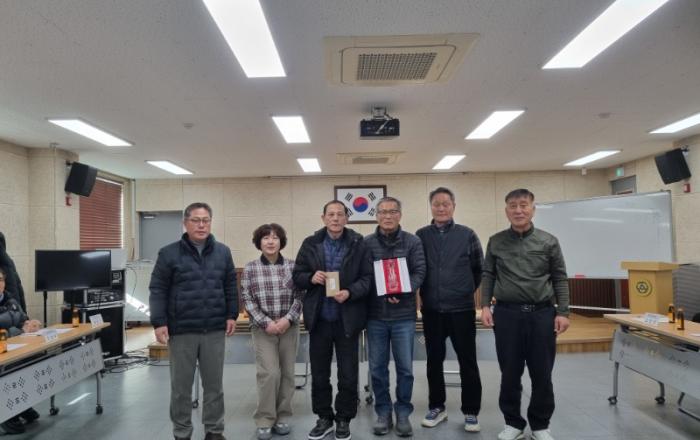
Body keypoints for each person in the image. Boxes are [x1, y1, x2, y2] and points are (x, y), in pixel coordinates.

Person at [480, 189, 570, 440]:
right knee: (510, 373)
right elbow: (488, 275)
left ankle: (540, 425)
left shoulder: (548, 241)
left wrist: (563, 311)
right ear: (506, 210)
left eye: (523, 205)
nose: (518, 210)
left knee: (542, 373)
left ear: (533, 209)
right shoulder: (496, 241)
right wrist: (485, 305)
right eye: (513, 206)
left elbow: (560, 277)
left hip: (542, 315)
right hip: (506, 315)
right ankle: (513, 423)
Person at [149, 202, 237, 440]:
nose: (201, 225)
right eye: (196, 220)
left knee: (214, 386)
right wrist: (159, 322)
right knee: (181, 388)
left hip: (214, 329)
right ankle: (182, 432)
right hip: (181, 331)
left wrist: (231, 314)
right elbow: (157, 289)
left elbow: (230, 286)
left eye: (206, 220)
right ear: (185, 223)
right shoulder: (168, 253)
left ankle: (214, 430)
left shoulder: (223, 252)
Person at [293, 200, 373, 440]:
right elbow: (297, 276)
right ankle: (324, 417)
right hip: (319, 319)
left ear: (347, 218)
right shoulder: (310, 243)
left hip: (347, 320)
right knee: (319, 374)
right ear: (323, 218)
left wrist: (349, 292)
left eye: (340, 214)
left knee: (348, 373)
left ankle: (344, 418)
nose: (335, 218)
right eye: (331, 214)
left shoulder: (359, 243)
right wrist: (311, 277)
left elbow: (368, 279)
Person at [416, 187, 484, 432]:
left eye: (446, 204)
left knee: (468, 361)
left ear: (454, 206)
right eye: (436, 204)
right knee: (434, 361)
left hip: (461, 310)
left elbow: (478, 269)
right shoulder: (421, 235)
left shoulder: (467, 235)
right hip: (432, 310)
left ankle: (471, 412)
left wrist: (462, 290)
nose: (441, 208)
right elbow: (417, 268)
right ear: (431, 207)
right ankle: (437, 407)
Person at [364, 197, 426, 437]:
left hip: (404, 316)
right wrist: (381, 290)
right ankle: (383, 412)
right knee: (377, 368)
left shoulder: (413, 241)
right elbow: (363, 275)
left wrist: (403, 289)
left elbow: (420, 271)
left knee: (405, 369)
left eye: (392, 211)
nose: (387, 216)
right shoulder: (366, 243)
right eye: (383, 212)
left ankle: (402, 413)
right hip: (375, 316)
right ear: (376, 216)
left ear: (400, 214)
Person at [241, 223, 303, 440]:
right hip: (263, 329)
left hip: (289, 326)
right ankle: (265, 419)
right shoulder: (250, 268)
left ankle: (283, 416)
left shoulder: (293, 266)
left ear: (281, 242)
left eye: (275, 237)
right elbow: (247, 299)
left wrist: (287, 319)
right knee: (269, 374)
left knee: (287, 373)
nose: (270, 241)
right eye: (266, 238)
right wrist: (266, 322)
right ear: (259, 242)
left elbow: (300, 296)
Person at [0, 267, 42, 435]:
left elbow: (23, 320)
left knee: (36, 357)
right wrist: (19, 330)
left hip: (13, 348)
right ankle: (6, 413)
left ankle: (22, 405)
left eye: (1, 279)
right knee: (11, 366)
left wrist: (30, 325)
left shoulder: (11, 300)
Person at [0, 232, 26, 312]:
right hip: (15, 307)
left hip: (7, 310)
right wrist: (24, 313)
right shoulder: (9, 261)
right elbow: (19, 288)